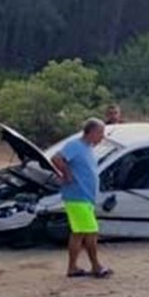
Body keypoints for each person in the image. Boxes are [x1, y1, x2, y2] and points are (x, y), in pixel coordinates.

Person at [52, 118, 113, 278]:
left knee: (78, 233)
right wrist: (67, 174)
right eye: (100, 133)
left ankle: (72, 267)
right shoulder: (75, 145)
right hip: (77, 196)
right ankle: (96, 266)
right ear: (92, 132)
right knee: (91, 231)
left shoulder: (87, 148)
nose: (102, 137)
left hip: (84, 196)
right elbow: (57, 158)